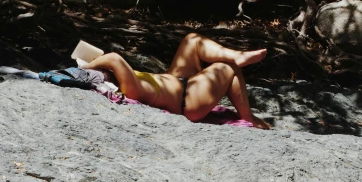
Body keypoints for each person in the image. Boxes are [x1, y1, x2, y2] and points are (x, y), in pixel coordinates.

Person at [85, 32, 271, 129]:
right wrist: (86, 67)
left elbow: (113, 63)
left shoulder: (125, 81)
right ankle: (248, 117)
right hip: (188, 101)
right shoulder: (131, 88)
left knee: (192, 40)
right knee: (228, 68)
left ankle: (236, 54)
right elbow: (114, 59)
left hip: (176, 80)